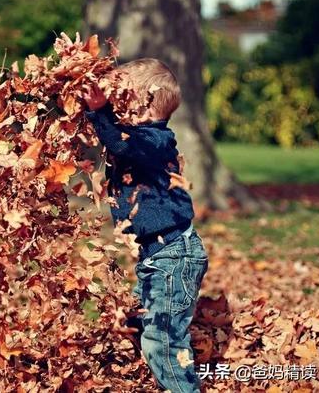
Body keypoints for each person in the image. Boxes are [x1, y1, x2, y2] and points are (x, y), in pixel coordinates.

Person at [84, 58, 208, 393]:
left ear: (143, 102)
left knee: (163, 341)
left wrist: (99, 113)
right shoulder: (140, 140)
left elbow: (122, 143)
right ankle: (154, 380)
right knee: (138, 320)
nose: (114, 107)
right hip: (158, 257)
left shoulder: (154, 141)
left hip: (173, 257)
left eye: (120, 99)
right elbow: (118, 141)